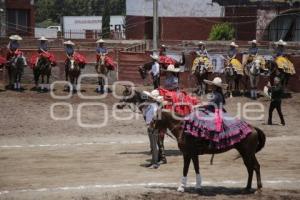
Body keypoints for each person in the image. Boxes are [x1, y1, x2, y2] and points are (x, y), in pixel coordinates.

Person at [142, 90, 165, 169]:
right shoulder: (150, 105)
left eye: (149, 97)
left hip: (153, 127)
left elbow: (157, 118)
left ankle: (155, 163)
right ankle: (153, 162)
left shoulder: (155, 106)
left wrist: (152, 124)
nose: (147, 98)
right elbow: (145, 116)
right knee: (153, 145)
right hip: (150, 127)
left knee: (154, 145)